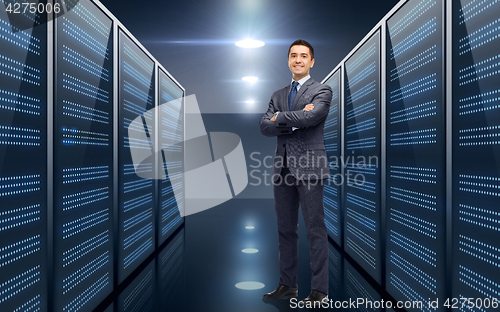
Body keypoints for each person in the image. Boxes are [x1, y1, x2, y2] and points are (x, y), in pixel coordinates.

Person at [259, 39, 332, 304]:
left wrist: (280, 117)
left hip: (311, 167)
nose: (298, 60)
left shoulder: (322, 90)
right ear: (288, 60)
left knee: (315, 228)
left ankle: (320, 291)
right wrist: (293, 117)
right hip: (283, 168)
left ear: (312, 61)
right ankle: (287, 285)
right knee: (285, 230)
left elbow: (313, 118)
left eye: (303, 56)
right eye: (293, 55)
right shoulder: (277, 94)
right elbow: (264, 127)